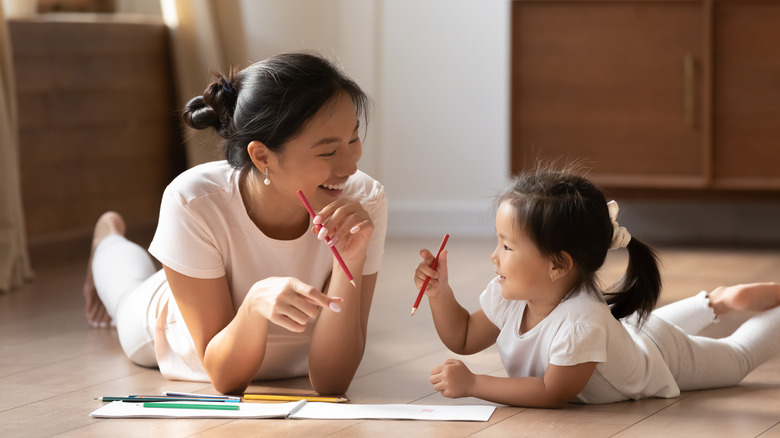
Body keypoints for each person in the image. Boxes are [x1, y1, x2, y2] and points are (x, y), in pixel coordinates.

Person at [82, 52, 387, 396]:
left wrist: (352, 259)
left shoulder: (364, 199)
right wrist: (254, 304)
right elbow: (225, 378)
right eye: (328, 153)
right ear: (262, 156)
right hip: (173, 332)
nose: (349, 166)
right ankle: (106, 238)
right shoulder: (193, 201)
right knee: (126, 293)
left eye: (353, 140)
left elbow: (332, 383)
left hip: (292, 361)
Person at [414, 164, 780, 407]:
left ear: (558, 264)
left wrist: (475, 384)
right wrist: (439, 292)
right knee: (649, 330)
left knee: (737, 357)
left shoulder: (581, 322)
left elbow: (551, 391)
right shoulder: (513, 294)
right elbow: (462, 336)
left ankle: (721, 303)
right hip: (631, 332)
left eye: (507, 246)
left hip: (660, 356)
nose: (494, 257)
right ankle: (715, 302)